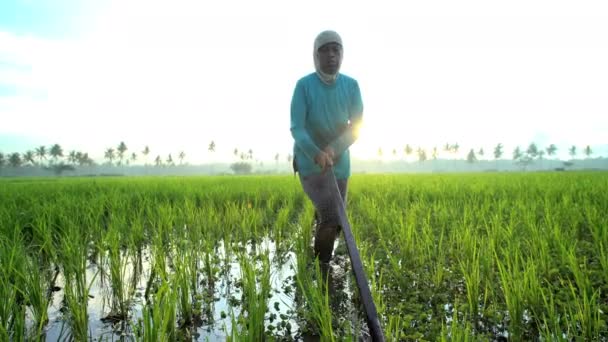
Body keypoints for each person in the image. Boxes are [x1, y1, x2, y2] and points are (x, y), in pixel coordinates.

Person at [290, 30, 363, 267]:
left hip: (339, 163)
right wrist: (316, 153)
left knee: (337, 219)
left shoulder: (351, 86)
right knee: (332, 216)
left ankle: (321, 226)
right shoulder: (304, 86)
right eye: (325, 50)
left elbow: (357, 126)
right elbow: (297, 128)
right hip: (309, 162)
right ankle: (322, 267)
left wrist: (334, 148)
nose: (331, 55)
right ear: (315, 55)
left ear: (342, 53)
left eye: (336, 49)